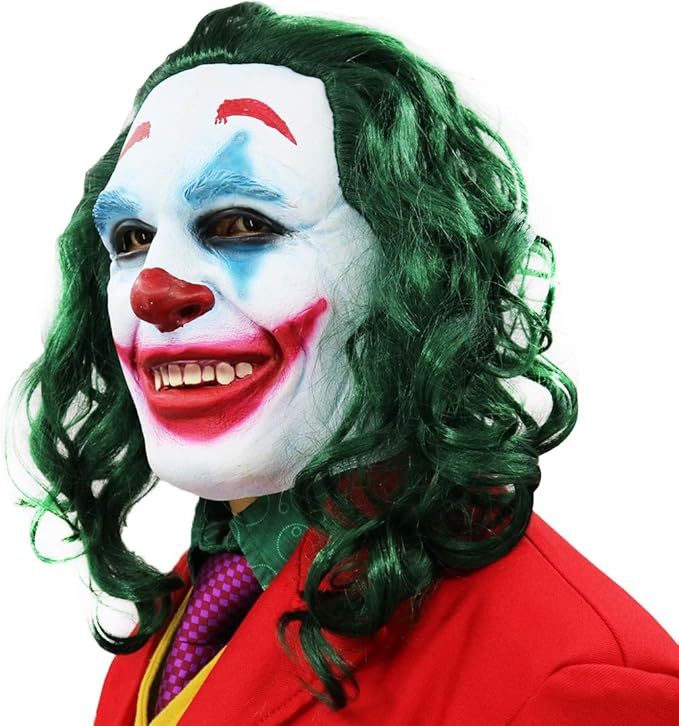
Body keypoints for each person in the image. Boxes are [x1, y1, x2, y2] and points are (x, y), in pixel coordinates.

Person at [11, 3, 679, 724]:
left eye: (243, 224)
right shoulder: (186, 604)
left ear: (413, 268)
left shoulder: (571, 680)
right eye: (132, 237)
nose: (154, 291)